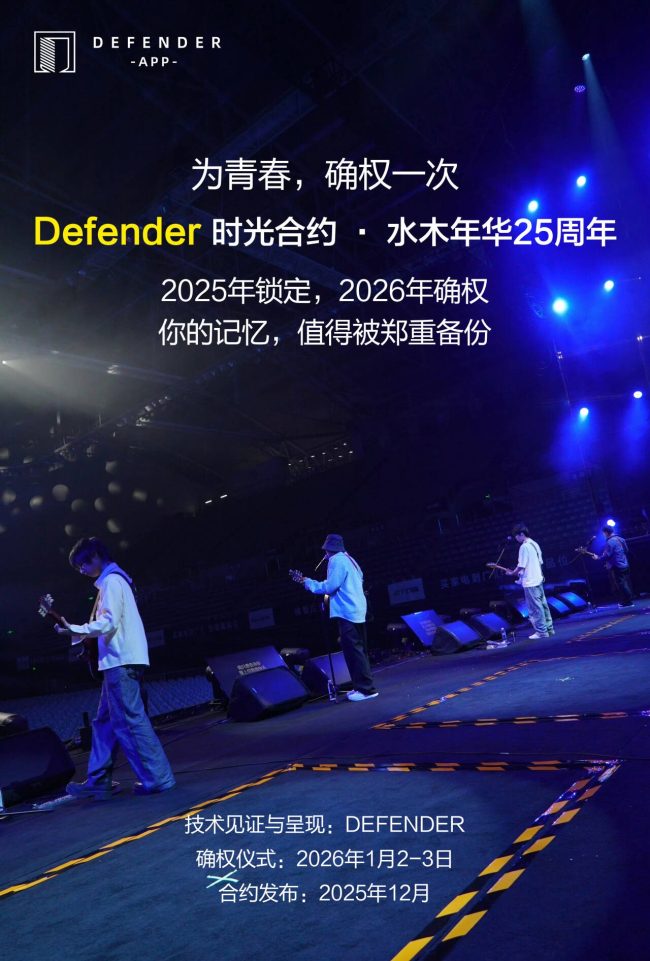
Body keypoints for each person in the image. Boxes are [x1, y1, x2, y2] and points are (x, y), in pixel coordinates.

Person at [55, 537, 175, 799]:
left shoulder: (111, 581)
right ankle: (98, 780)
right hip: (120, 661)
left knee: (129, 722)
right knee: (105, 722)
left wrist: (73, 629)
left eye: (82, 564)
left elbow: (108, 623)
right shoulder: (114, 580)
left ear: (96, 557)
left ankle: (158, 778)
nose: (81, 571)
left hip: (121, 662)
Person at [297, 534, 378, 701]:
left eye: (325, 550)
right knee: (359, 651)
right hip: (358, 610)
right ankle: (363, 687)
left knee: (353, 653)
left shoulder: (336, 560)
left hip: (347, 612)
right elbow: (360, 578)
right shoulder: (350, 559)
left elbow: (330, 587)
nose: (325, 553)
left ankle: (366, 690)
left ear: (329, 549)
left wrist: (308, 583)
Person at [506, 524, 554, 640]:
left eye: (516, 536)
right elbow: (539, 562)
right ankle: (549, 629)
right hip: (538, 579)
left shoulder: (524, 547)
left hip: (531, 582)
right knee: (543, 605)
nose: (516, 539)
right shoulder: (534, 544)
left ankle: (541, 632)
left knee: (535, 608)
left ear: (521, 534)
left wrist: (512, 573)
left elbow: (521, 565)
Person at [593, 526, 634, 608]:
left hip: (617, 565)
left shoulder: (610, 542)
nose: (603, 535)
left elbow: (606, 555)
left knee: (622, 584)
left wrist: (597, 558)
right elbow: (626, 550)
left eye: (603, 533)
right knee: (626, 582)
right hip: (625, 564)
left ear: (606, 532)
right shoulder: (621, 539)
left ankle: (628, 602)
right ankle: (628, 600)